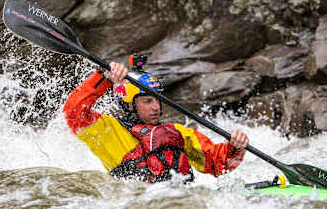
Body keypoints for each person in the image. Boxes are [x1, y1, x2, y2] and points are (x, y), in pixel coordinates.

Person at [63, 55, 248, 183]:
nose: (156, 107)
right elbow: (73, 112)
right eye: (147, 101)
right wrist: (104, 78)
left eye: (158, 100)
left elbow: (218, 164)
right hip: (135, 206)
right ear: (129, 104)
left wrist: (234, 146)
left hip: (178, 201)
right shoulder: (108, 131)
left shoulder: (178, 133)